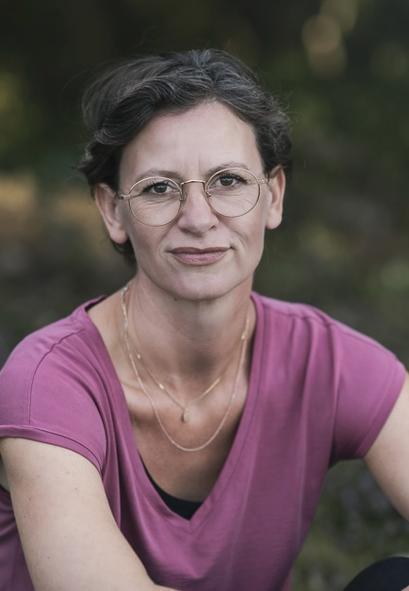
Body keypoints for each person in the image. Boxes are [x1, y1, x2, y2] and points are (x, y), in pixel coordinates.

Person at [0, 49, 408, 591]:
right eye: (159, 188)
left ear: (273, 196)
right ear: (113, 210)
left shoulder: (327, 361)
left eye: (228, 181)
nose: (197, 218)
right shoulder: (46, 381)